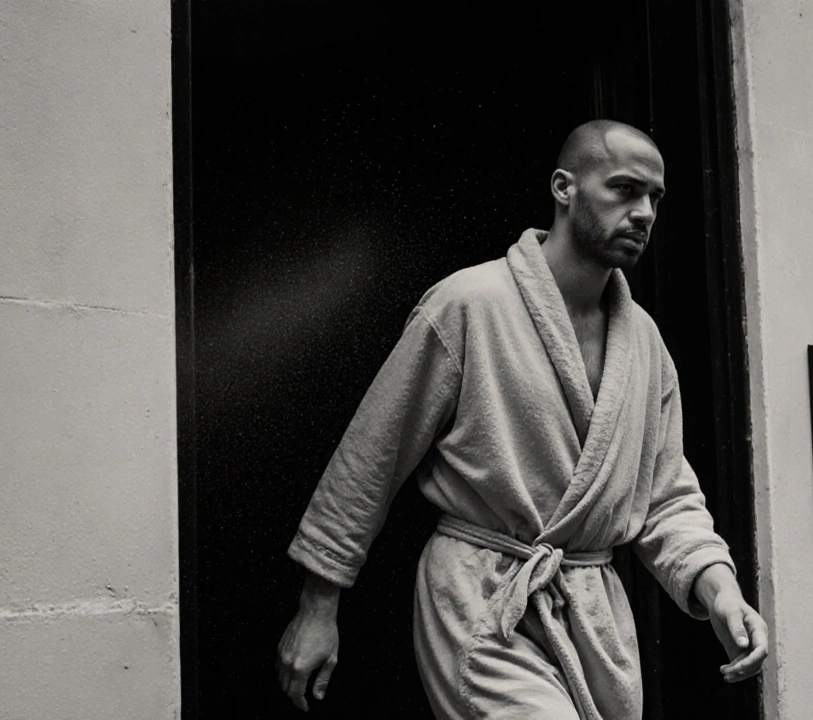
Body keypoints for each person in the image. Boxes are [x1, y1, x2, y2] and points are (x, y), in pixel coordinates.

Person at [275, 119, 768, 718]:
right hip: (483, 602)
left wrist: (720, 589)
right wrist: (317, 605)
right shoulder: (468, 304)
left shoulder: (645, 344)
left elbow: (664, 494)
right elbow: (370, 457)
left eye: (655, 198)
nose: (643, 212)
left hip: (594, 622)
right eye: (623, 189)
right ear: (565, 188)